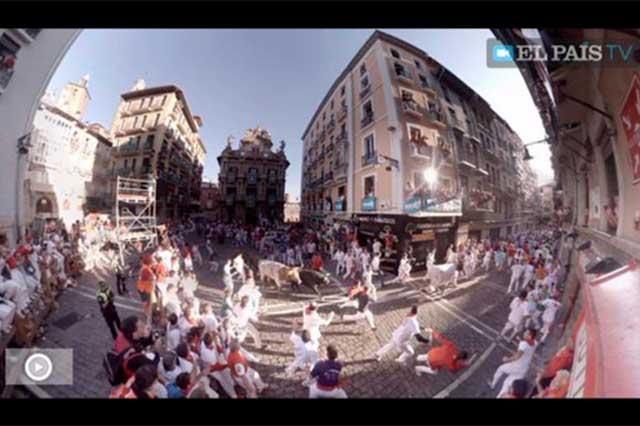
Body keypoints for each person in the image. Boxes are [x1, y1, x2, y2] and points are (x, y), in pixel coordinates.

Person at [488, 328, 538, 397]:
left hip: (516, 366)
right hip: (524, 369)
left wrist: (507, 359)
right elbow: (525, 349)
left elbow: (518, 356)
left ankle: (493, 384)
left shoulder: (523, 344)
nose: (524, 333)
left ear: (529, 336)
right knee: (507, 384)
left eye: (526, 333)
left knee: (501, 368)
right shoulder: (535, 343)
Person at [136, 254, 156, 324]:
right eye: (152, 262)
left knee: (145, 303)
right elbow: (149, 278)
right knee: (147, 304)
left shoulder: (145, 268)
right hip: (145, 289)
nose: (153, 263)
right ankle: (147, 317)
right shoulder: (146, 270)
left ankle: (146, 315)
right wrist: (153, 278)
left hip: (143, 288)